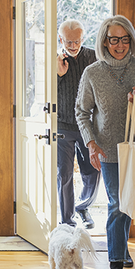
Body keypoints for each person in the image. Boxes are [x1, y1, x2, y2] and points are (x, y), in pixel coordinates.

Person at [75, 15, 135, 269]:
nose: (120, 45)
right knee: (116, 204)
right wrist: (90, 142)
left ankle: (121, 250)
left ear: (131, 41)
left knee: (129, 202)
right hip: (108, 149)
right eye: (114, 39)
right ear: (104, 41)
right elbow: (82, 112)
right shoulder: (93, 73)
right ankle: (116, 265)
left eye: (125, 39)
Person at [56, 19, 101, 229]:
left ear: (83, 39)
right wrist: (58, 75)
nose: (72, 46)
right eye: (68, 41)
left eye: (76, 41)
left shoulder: (93, 57)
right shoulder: (54, 59)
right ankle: (67, 220)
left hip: (88, 125)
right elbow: (44, 94)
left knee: (93, 171)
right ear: (60, 39)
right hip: (62, 125)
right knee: (64, 173)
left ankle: (82, 207)